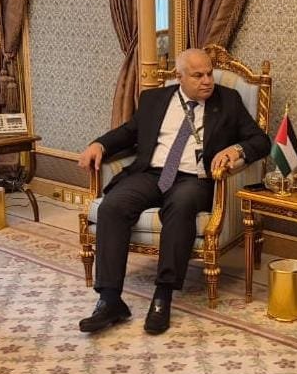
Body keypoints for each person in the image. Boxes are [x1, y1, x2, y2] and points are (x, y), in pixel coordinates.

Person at [77, 47, 270, 334]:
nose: (207, 81)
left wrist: (236, 150)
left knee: (180, 206)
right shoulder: (154, 99)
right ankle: (109, 300)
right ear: (179, 77)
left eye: (209, 74)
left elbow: (261, 141)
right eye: (198, 75)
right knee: (112, 206)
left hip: (194, 178)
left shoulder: (228, 100)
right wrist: (99, 144)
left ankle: (163, 295)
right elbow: (129, 132)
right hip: (152, 173)